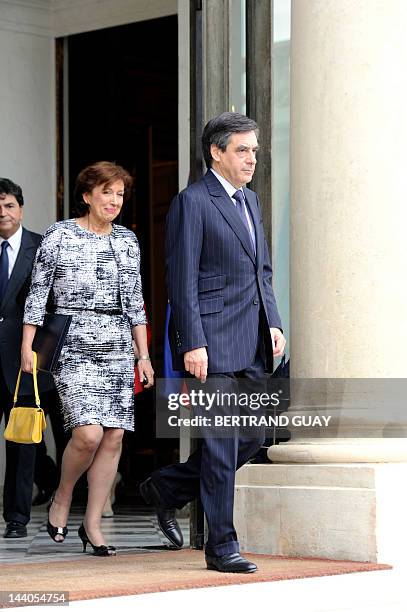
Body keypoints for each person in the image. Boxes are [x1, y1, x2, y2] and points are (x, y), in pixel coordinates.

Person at [140, 113, 286, 573]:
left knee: (255, 438)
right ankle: (222, 547)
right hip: (212, 345)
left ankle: (166, 487)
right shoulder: (193, 202)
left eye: (255, 150)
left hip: (255, 340)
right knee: (222, 445)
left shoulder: (252, 201)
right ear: (216, 152)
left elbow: (261, 271)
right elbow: (180, 280)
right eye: (242, 150)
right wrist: (192, 342)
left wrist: (275, 322)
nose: (252, 159)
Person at [21, 161, 154, 556]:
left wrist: (142, 355)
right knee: (88, 433)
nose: (114, 201)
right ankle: (62, 495)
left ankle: (92, 524)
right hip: (72, 342)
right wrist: (28, 347)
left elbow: (134, 301)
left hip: (116, 343)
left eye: (120, 194)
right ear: (86, 195)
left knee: (113, 435)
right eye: (106, 192)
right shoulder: (59, 235)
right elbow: (38, 293)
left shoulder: (128, 240)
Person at [0, 178, 55, 538]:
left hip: (24, 360)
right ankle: (50, 476)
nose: (2, 213)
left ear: (20, 208)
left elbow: (53, 307)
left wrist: (41, 355)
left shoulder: (41, 247)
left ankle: (17, 519)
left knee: (22, 440)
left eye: (8, 205)